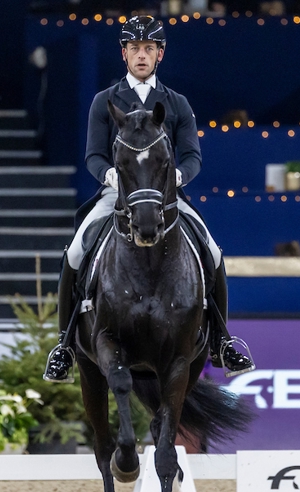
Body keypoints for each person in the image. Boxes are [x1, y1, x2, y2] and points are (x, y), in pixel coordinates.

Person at [43, 15, 254, 383]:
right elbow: (93, 154)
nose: (142, 55)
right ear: (124, 54)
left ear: (160, 54)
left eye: (149, 49)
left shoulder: (176, 103)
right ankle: (64, 346)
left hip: (166, 197)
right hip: (118, 194)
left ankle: (222, 340)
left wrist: (178, 176)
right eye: (135, 49)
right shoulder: (104, 101)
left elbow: (192, 156)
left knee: (213, 250)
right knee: (76, 251)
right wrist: (108, 174)